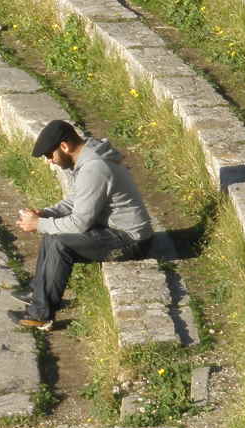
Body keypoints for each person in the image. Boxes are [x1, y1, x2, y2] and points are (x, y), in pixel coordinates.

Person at [11, 120, 154, 332]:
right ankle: (38, 292)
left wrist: (39, 224)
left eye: (49, 155)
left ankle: (40, 315)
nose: (49, 161)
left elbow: (79, 223)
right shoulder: (86, 159)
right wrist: (47, 214)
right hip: (112, 230)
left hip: (130, 239)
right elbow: (75, 201)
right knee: (53, 233)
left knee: (60, 242)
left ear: (64, 146)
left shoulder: (94, 168)